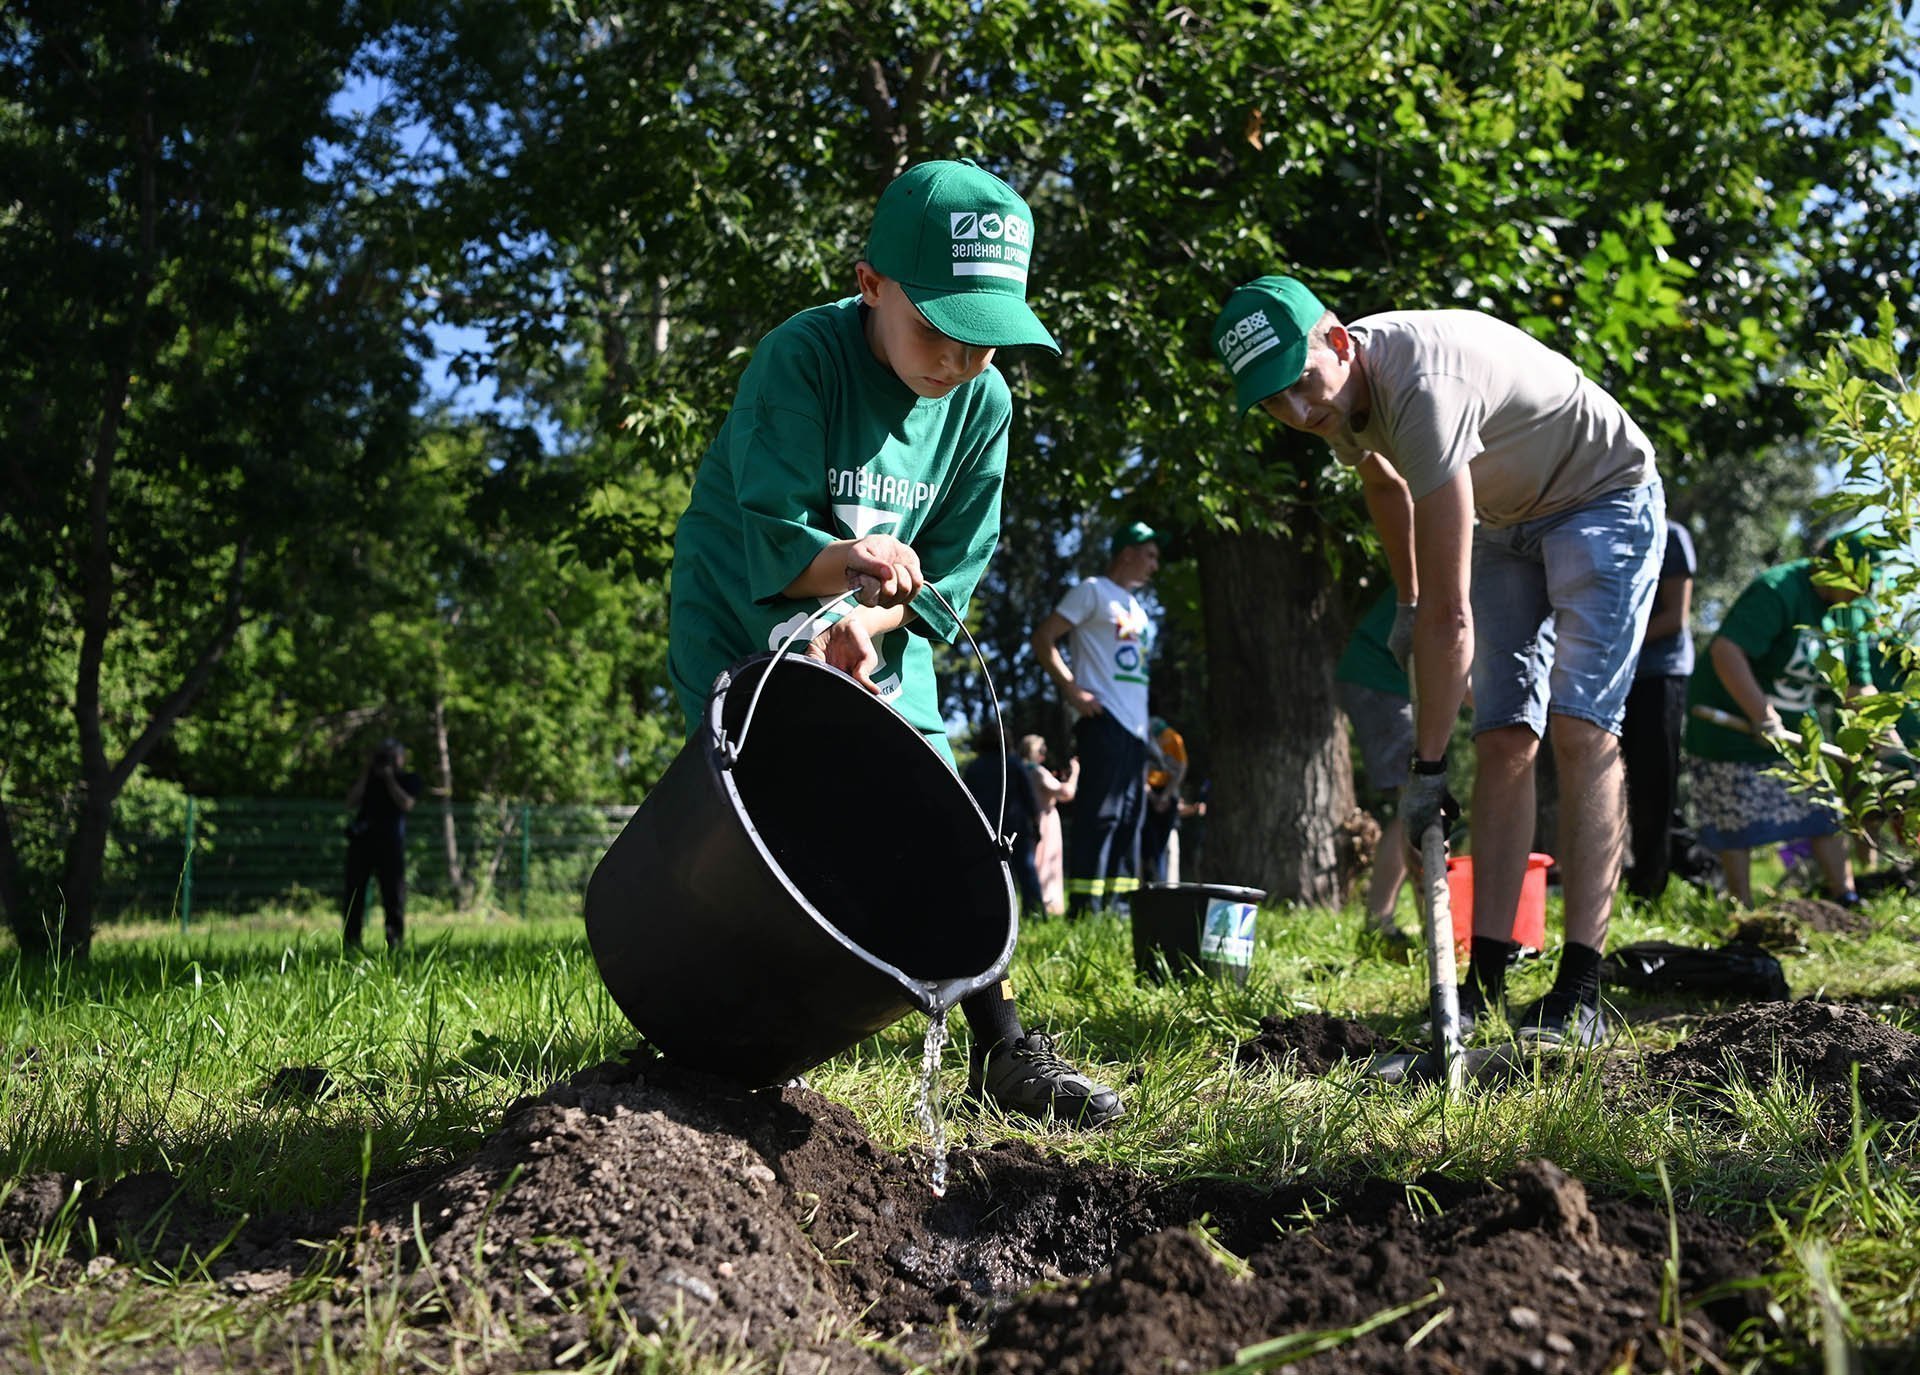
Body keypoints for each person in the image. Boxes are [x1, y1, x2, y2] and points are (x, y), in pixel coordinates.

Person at [664, 158, 1121, 1127]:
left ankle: (1002, 1051)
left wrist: (860, 626)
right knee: (763, 816)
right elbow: (770, 536)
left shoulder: (982, 406)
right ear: (872, 284)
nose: (957, 361)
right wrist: (841, 579)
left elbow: (948, 575)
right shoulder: (804, 358)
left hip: (872, 631)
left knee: (939, 811)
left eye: (984, 343)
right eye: (937, 331)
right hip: (744, 609)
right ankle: (705, 1038)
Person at [1213, 276, 1665, 1047]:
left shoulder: (1422, 385)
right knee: (1500, 735)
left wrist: (1425, 772)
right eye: (1271, 403)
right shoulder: (1338, 395)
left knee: (1580, 726)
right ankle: (1486, 977)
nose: (1296, 412)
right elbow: (1383, 482)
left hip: (1603, 495)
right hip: (1505, 519)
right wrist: (1407, 599)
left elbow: (1456, 619)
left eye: (1297, 385)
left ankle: (1579, 991)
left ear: (1338, 340)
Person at [1683, 543, 1875, 907]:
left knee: (1823, 808)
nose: (1862, 593)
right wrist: (1762, 714)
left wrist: (1887, 744)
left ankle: (1845, 898)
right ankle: (1742, 909)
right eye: (1857, 581)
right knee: (1734, 816)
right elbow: (1727, 651)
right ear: (1830, 568)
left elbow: (1857, 686)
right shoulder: (1779, 589)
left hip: (1796, 729)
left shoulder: (1853, 610)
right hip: (1731, 718)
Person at [1030, 522, 1161, 918]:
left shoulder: (1138, 610)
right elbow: (1044, 638)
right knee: (1100, 815)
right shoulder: (1092, 591)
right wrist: (1072, 690)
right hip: (1103, 721)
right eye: (1150, 555)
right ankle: (1085, 909)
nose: (1156, 565)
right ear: (1127, 553)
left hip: (1135, 731)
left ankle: (1118, 908)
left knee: (1129, 819)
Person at [1334, 587, 1419, 959]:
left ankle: (1383, 921)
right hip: (1380, 681)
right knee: (1419, 799)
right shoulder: (1476, 560)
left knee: (1415, 803)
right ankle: (1398, 922)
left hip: (1385, 679)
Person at [1621, 518, 1698, 900]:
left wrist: (1616, 644)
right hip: (1614, 676)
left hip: (1659, 673)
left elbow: (1675, 618)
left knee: (1654, 781)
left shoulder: (1671, 535)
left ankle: (1650, 889)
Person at [343, 738, 423, 953]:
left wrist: (390, 779)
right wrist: (367, 773)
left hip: (390, 844)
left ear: (401, 758)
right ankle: (351, 942)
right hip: (362, 843)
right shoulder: (368, 780)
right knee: (354, 895)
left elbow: (406, 803)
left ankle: (394, 942)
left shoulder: (408, 779)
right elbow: (350, 801)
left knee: (393, 895)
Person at [964, 730, 1044, 916]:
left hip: (985, 829)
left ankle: (994, 913)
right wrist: (1035, 823)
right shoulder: (1013, 763)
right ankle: (1035, 912)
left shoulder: (974, 767)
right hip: (1015, 828)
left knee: (990, 876)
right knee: (1026, 871)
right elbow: (1029, 797)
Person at [1021, 734, 1079, 915]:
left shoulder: (1023, 770)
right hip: (1046, 821)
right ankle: (1047, 905)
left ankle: (1034, 905)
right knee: (1046, 862)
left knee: (1035, 862)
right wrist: (1075, 772)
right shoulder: (1038, 771)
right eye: (1042, 751)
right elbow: (1066, 792)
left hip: (1029, 820)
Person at [1140, 717, 1188, 883]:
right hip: (1150, 796)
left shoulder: (1171, 737)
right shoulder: (1142, 733)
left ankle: (1165, 886)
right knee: (1148, 847)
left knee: (1163, 847)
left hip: (1164, 795)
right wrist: (1155, 797)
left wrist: (1165, 796)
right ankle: (1149, 885)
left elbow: (1180, 768)